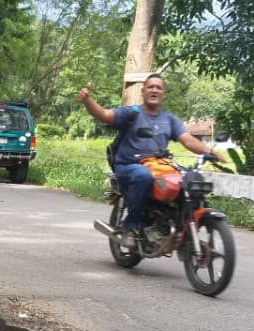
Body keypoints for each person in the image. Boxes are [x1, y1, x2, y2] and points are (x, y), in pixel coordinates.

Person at [76, 74, 224, 248]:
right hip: (128, 166)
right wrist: (87, 101)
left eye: (158, 87)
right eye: (150, 86)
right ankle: (129, 227)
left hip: (158, 166)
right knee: (143, 175)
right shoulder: (132, 113)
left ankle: (178, 227)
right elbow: (104, 115)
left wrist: (211, 153)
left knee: (189, 180)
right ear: (143, 91)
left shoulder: (169, 119)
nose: (154, 90)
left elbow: (188, 140)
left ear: (164, 94)